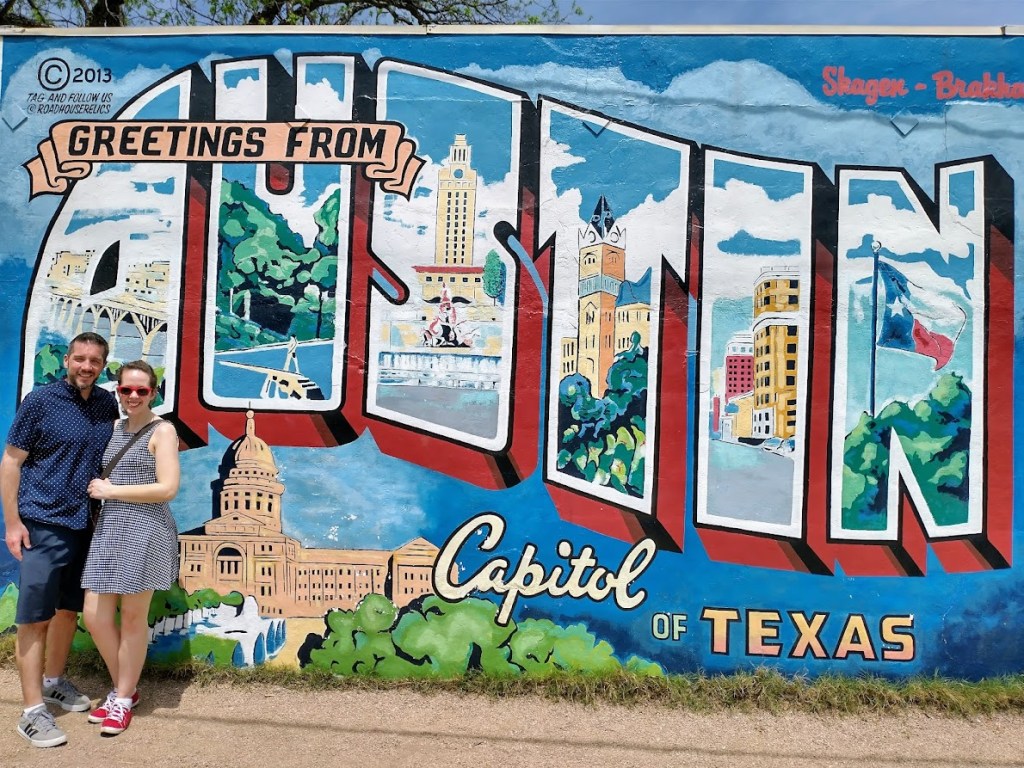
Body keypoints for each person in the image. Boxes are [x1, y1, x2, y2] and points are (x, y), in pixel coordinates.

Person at [0, 332, 119, 748]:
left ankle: (53, 681)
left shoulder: (107, 403)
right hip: (43, 522)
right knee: (34, 618)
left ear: (103, 365)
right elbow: (11, 463)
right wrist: (12, 523)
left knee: (68, 610)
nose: (86, 366)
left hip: (86, 524)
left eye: (95, 361)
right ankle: (32, 713)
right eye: (80, 359)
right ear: (67, 360)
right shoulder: (40, 402)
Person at [82, 359, 179, 737]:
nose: (134, 396)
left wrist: (112, 491)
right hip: (111, 527)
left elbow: (168, 488)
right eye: (127, 390)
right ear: (117, 391)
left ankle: (121, 697)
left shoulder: (162, 431)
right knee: (95, 615)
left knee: (134, 619)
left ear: (153, 392)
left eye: (142, 390)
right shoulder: (113, 429)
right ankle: (127, 686)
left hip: (145, 527)